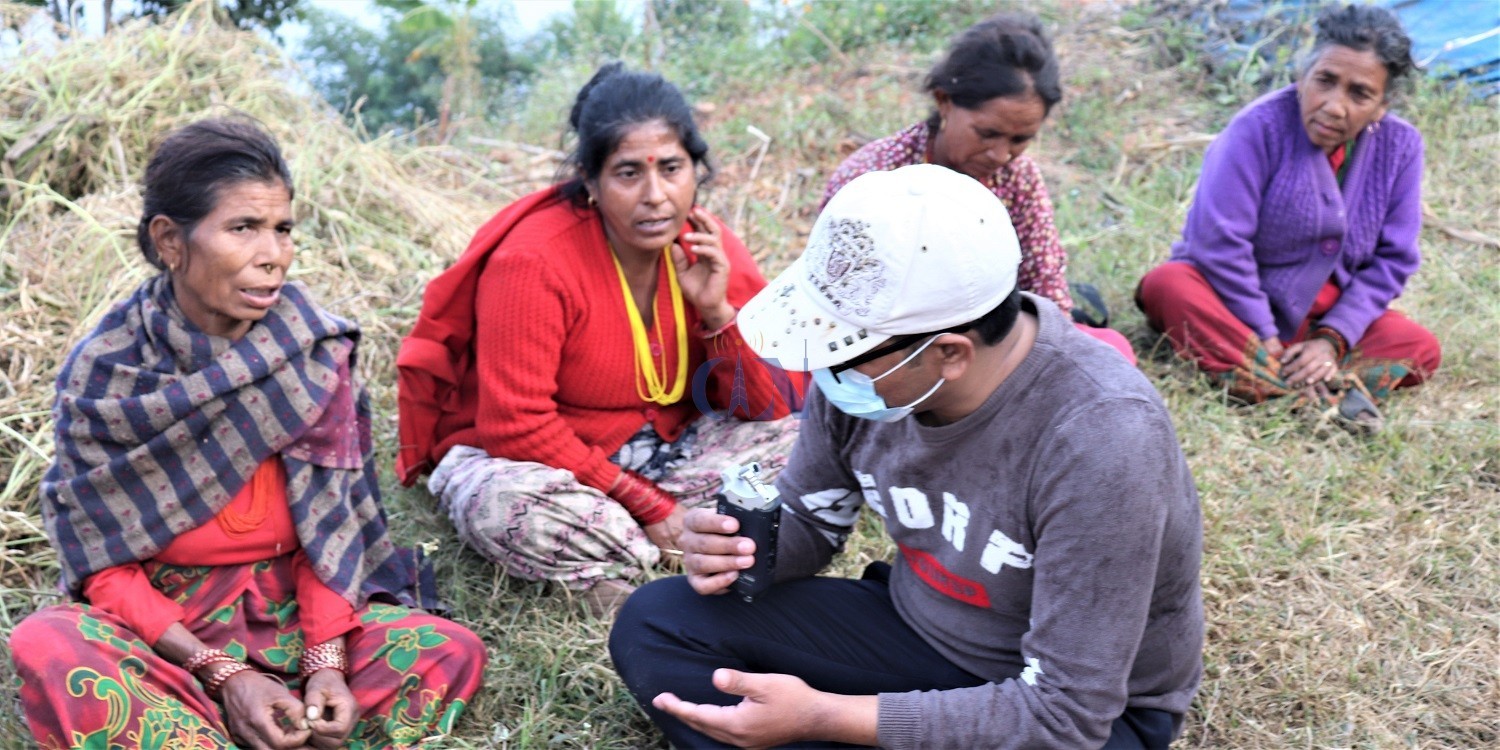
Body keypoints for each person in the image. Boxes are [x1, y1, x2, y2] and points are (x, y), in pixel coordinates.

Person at [610, 164, 1203, 749]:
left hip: (1075, 713)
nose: (827, 369)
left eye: (846, 352)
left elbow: (1065, 715)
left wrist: (826, 718)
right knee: (658, 624)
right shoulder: (873, 378)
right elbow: (812, 522)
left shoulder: (1104, 437)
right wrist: (742, 551)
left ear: (949, 354)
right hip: (919, 632)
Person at [8, 119, 485, 749]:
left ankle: (259, 726)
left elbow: (330, 534)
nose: (274, 255)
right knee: (49, 643)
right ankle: (220, 721)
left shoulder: (314, 358)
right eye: (243, 228)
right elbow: (103, 564)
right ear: (170, 241)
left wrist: (325, 665)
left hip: (290, 614)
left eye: (282, 229)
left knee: (446, 651)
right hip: (166, 632)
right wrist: (222, 672)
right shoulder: (109, 376)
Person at [396, 63, 799, 617]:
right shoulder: (533, 260)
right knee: (504, 508)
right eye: (628, 173)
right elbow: (514, 426)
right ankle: (655, 565)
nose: (656, 196)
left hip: (663, 451)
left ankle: (639, 555)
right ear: (590, 181)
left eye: (672, 169)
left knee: (805, 436)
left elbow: (765, 407)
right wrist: (647, 504)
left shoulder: (704, 244)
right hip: (539, 465)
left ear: (696, 170)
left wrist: (716, 313)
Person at [1136, 3, 1440, 429]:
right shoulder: (1256, 128)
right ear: (1302, 77)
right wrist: (1265, 333)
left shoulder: (1401, 147)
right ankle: (1315, 394)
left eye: (1360, 94)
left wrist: (1332, 340)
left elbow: (1394, 260)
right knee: (1167, 286)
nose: (1335, 106)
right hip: (1236, 310)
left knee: (1419, 347)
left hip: (1321, 325)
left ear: (1382, 106)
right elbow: (1219, 244)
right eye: (1325, 81)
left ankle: (1277, 381)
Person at [823, 12, 1137, 365]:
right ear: (944, 101)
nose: (1002, 155)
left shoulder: (1018, 179)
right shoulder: (871, 179)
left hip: (994, 343)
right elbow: (843, 301)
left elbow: (1045, 288)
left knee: (1110, 354)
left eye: (1020, 139)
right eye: (987, 134)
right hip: (895, 353)